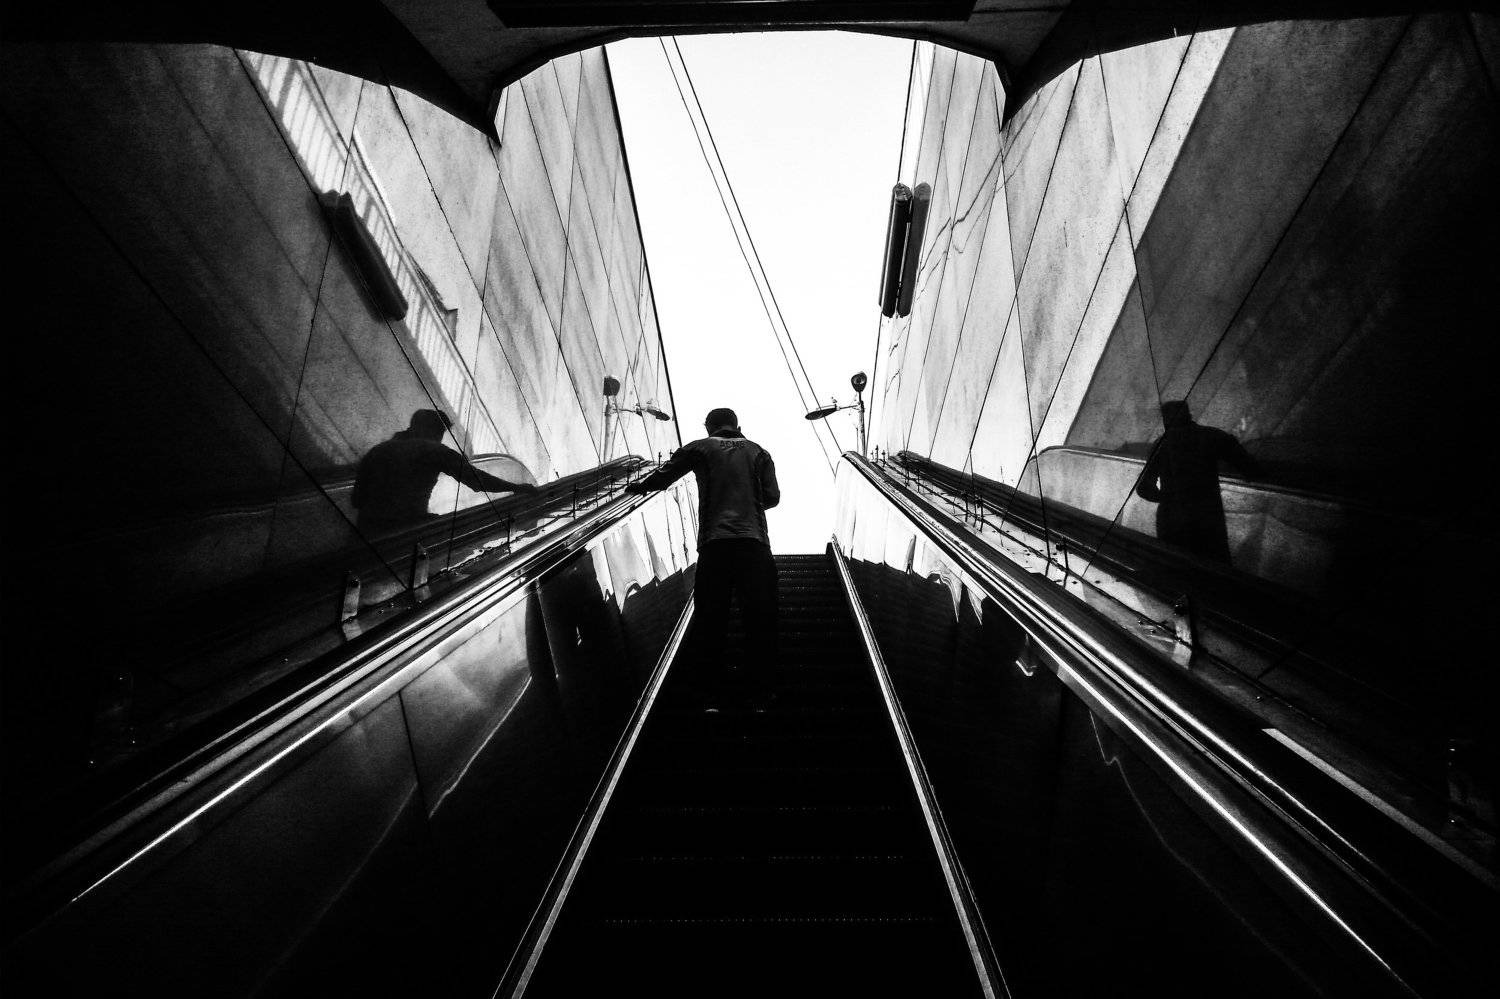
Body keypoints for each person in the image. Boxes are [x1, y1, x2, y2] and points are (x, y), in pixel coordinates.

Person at [626, 407, 780, 710]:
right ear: (737, 426)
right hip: (754, 545)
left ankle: (712, 696)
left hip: (715, 545)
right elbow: (773, 497)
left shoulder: (699, 448)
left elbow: (663, 477)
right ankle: (761, 694)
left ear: (709, 427)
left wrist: (637, 487)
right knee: (760, 618)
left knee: (712, 620)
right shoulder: (759, 452)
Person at [352, 409, 536, 534]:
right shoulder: (433, 450)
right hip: (405, 531)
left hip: (366, 530)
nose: (440, 437)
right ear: (431, 430)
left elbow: (356, 499)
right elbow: (477, 480)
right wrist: (517, 488)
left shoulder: (378, 450)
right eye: (440, 432)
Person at [1135, 400, 1261, 563]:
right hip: (1207, 520)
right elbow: (1250, 468)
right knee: (1212, 567)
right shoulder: (1212, 436)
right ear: (1189, 414)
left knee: (1175, 568)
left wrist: (1170, 498)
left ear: (1165, 419)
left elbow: (1143, 488)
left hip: (1171, 523)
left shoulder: (1161, 444)